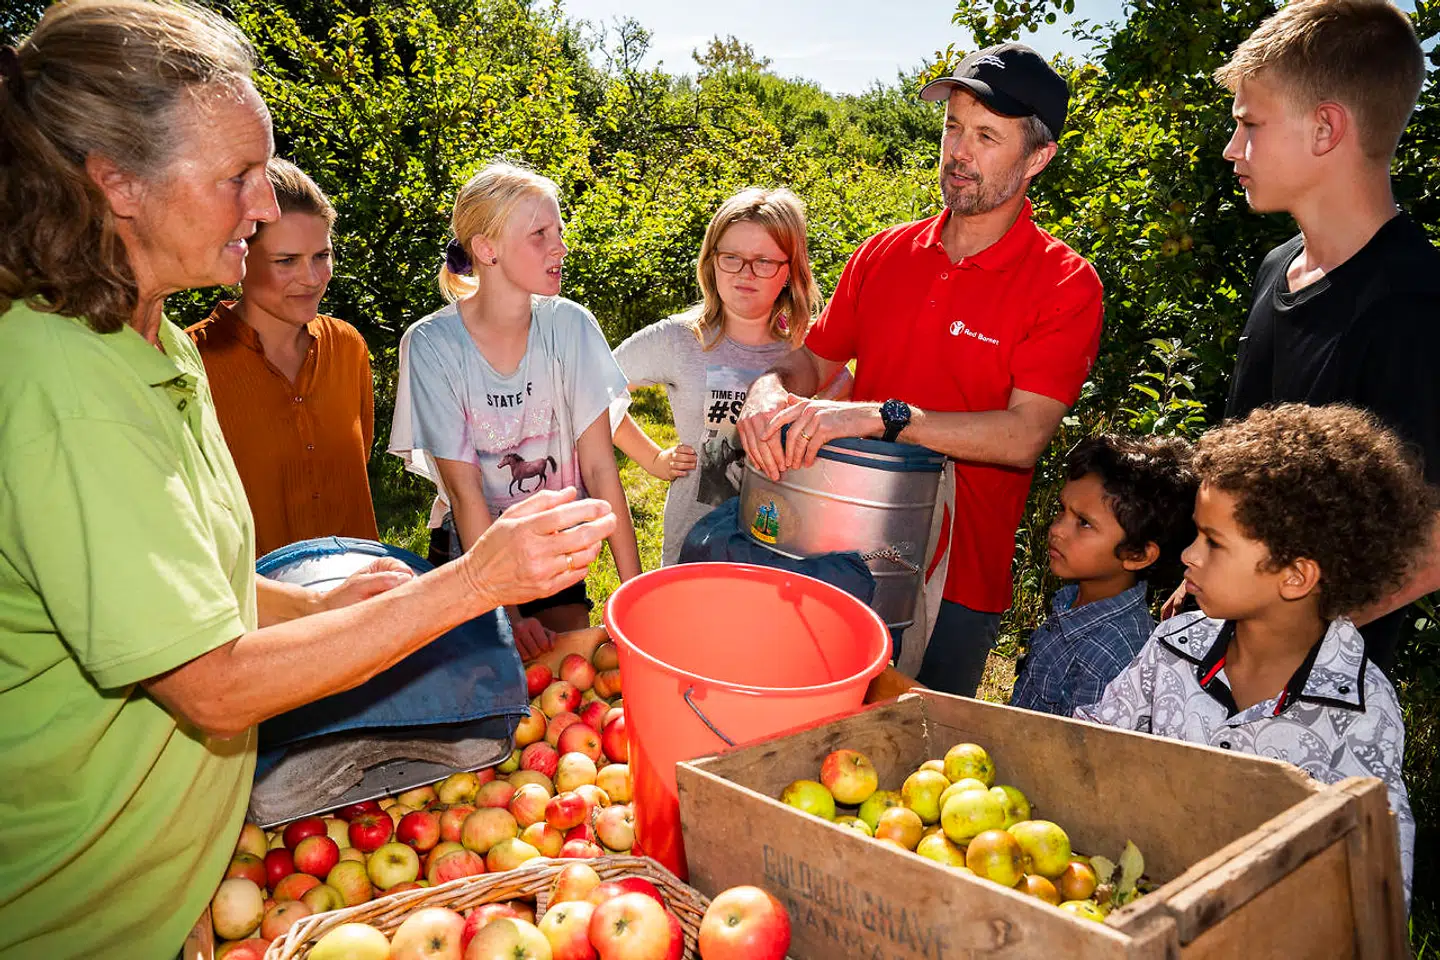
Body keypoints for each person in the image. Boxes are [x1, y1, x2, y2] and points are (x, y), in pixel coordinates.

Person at [0, 4, 614, 956]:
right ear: (115, 181)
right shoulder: (65, 388)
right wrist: (472, 583)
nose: (261, 202)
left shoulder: (148, 338)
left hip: (167, 887)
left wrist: (306, 605)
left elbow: (173, 595)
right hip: (78, 911)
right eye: (237, 177)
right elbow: (208, 685)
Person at [737, 43, 1104, 696]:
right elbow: (811, 360)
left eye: (987, 135)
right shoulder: (885, 254)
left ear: (1037, 158)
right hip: (841, 545)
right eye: (953, 127)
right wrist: (767, 391)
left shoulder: (1064, 284)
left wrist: (882, 416)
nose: (958, 152)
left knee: (920, 754)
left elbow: (1023, 438)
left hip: (962, 579)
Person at [1165, 0, 1440, 670]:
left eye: (1250, 124)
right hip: (1225, 658)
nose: (1233, 148)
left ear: (1325, 129)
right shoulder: (1275, 269)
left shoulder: (1416, 302)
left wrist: (1275, 638)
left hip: (1313, 693)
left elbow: (1432, 543)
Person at [1078, 404, 1431, 901]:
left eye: (1214, 543)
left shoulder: (1362, 715)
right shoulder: (1172, 648)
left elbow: (1377, 887)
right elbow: (1083, 748)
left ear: (1296, 576)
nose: (1189, 556)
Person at [388, 162, 641, 656]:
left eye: (560, 231)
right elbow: (465, 497)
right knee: (490, 683)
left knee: (567, 661)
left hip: (554, 546)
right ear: (487, 249)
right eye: (540, 234)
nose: (561, 247)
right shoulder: (431, 345)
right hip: (473, 552)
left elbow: (599, 467)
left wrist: (633, 596)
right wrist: (509, 611)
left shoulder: (572, 328)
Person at [612, 187, 834, 564]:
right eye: (731, 257)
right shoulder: (679, 338)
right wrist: (652, 459)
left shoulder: (810, 353)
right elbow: (593, 392)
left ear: (790, 270)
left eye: (764, 261)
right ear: (711, 260)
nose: (745, 274)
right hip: (695, 547)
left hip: (784, 549)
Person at [187, 157, 379, 557]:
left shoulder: (348, 348)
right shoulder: (191, 365)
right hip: (254, 612)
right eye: (287, 261)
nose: (311, 278)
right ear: (240, 256)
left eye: (321, 256)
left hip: (360, 598)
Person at [1009, 434, 1197, 717]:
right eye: (1063, 509)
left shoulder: (1112, 656)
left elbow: (1078, 751)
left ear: (1137, 555)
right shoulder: (1075, 600)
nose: (1057, 529)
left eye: (1083, 523)